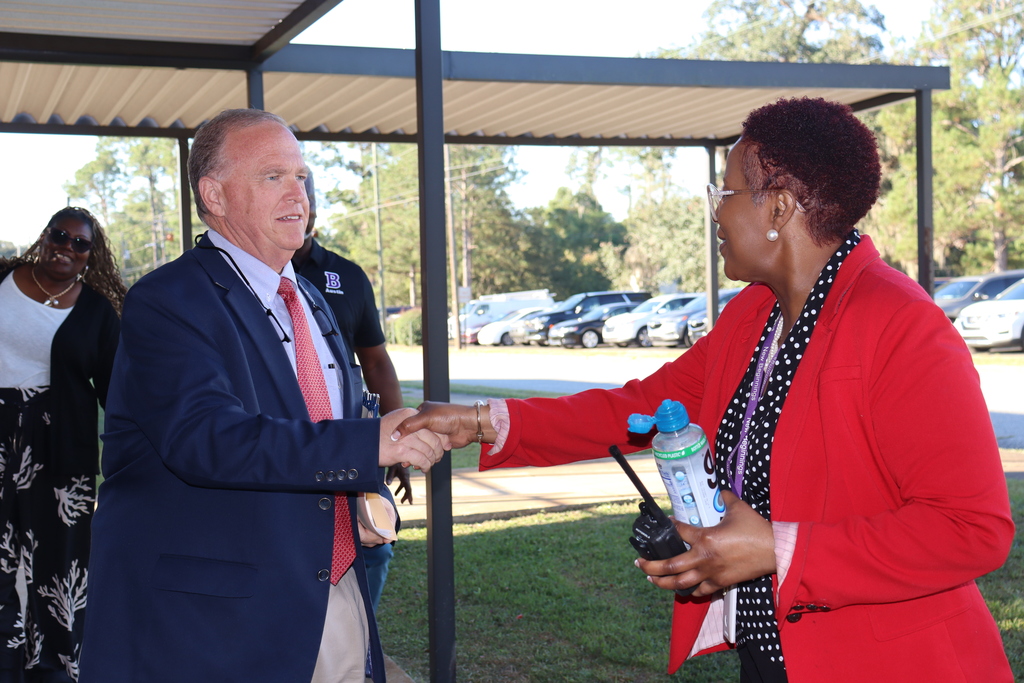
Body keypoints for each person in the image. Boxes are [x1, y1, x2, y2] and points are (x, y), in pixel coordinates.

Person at [397, 98, 1015, 682]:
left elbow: (970, 527)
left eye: (725, 192)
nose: (716, 211)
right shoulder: (753, 318)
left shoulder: (901, 326)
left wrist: (775, 546)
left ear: (778, 209)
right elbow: (640, 409)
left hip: (890, 662)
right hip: (775, 653)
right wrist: (480, 420)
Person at [77, 109, 446, 683]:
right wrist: (365, 444)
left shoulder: (311, 299)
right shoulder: (168, 301)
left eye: (301, 176)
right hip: (218, 622)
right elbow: (206, 439)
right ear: (214, 195)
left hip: (332, 587)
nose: (297, 191)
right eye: (273, 176)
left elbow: (320, 422)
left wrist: (365, 494)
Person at [0, 206, 125, 682]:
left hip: (62, 452)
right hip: (0, 438)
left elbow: (117, 392)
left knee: (59, 564)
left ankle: (53, 668)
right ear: (44, 236)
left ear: (92, 255)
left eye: (80, 243)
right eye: (60, 235)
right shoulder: (4, 280)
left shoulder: (96, 312)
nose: (67, 247)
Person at [291, 173, 409, 613]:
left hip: (349, 440)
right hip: (282, 441)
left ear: (316, 207)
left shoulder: (347, 276)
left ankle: (360, 643)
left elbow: (376, 363)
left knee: (374, 544)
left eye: (305, 193)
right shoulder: (239, 279)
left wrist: (395, 447)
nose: (296, 202)